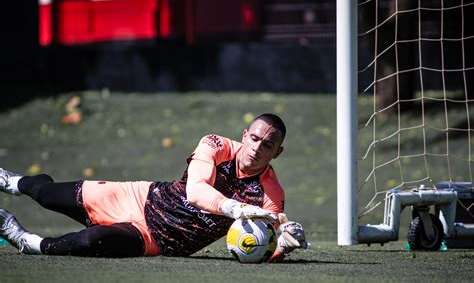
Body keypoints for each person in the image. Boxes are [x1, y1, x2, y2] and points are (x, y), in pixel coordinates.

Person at [0, 113, 308, 261]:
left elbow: (264, 245)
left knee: (90, 240)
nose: (257, 148)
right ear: (245, 135)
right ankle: (12, 182)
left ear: (276, 153)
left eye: (267, 145)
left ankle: (30, 242)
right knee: (45, 194)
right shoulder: (215, 145)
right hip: (138, 197)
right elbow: (196, 191)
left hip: (157, 240)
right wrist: (237, 208)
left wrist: (285, 245)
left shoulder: (270, 194)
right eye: (254, 139)